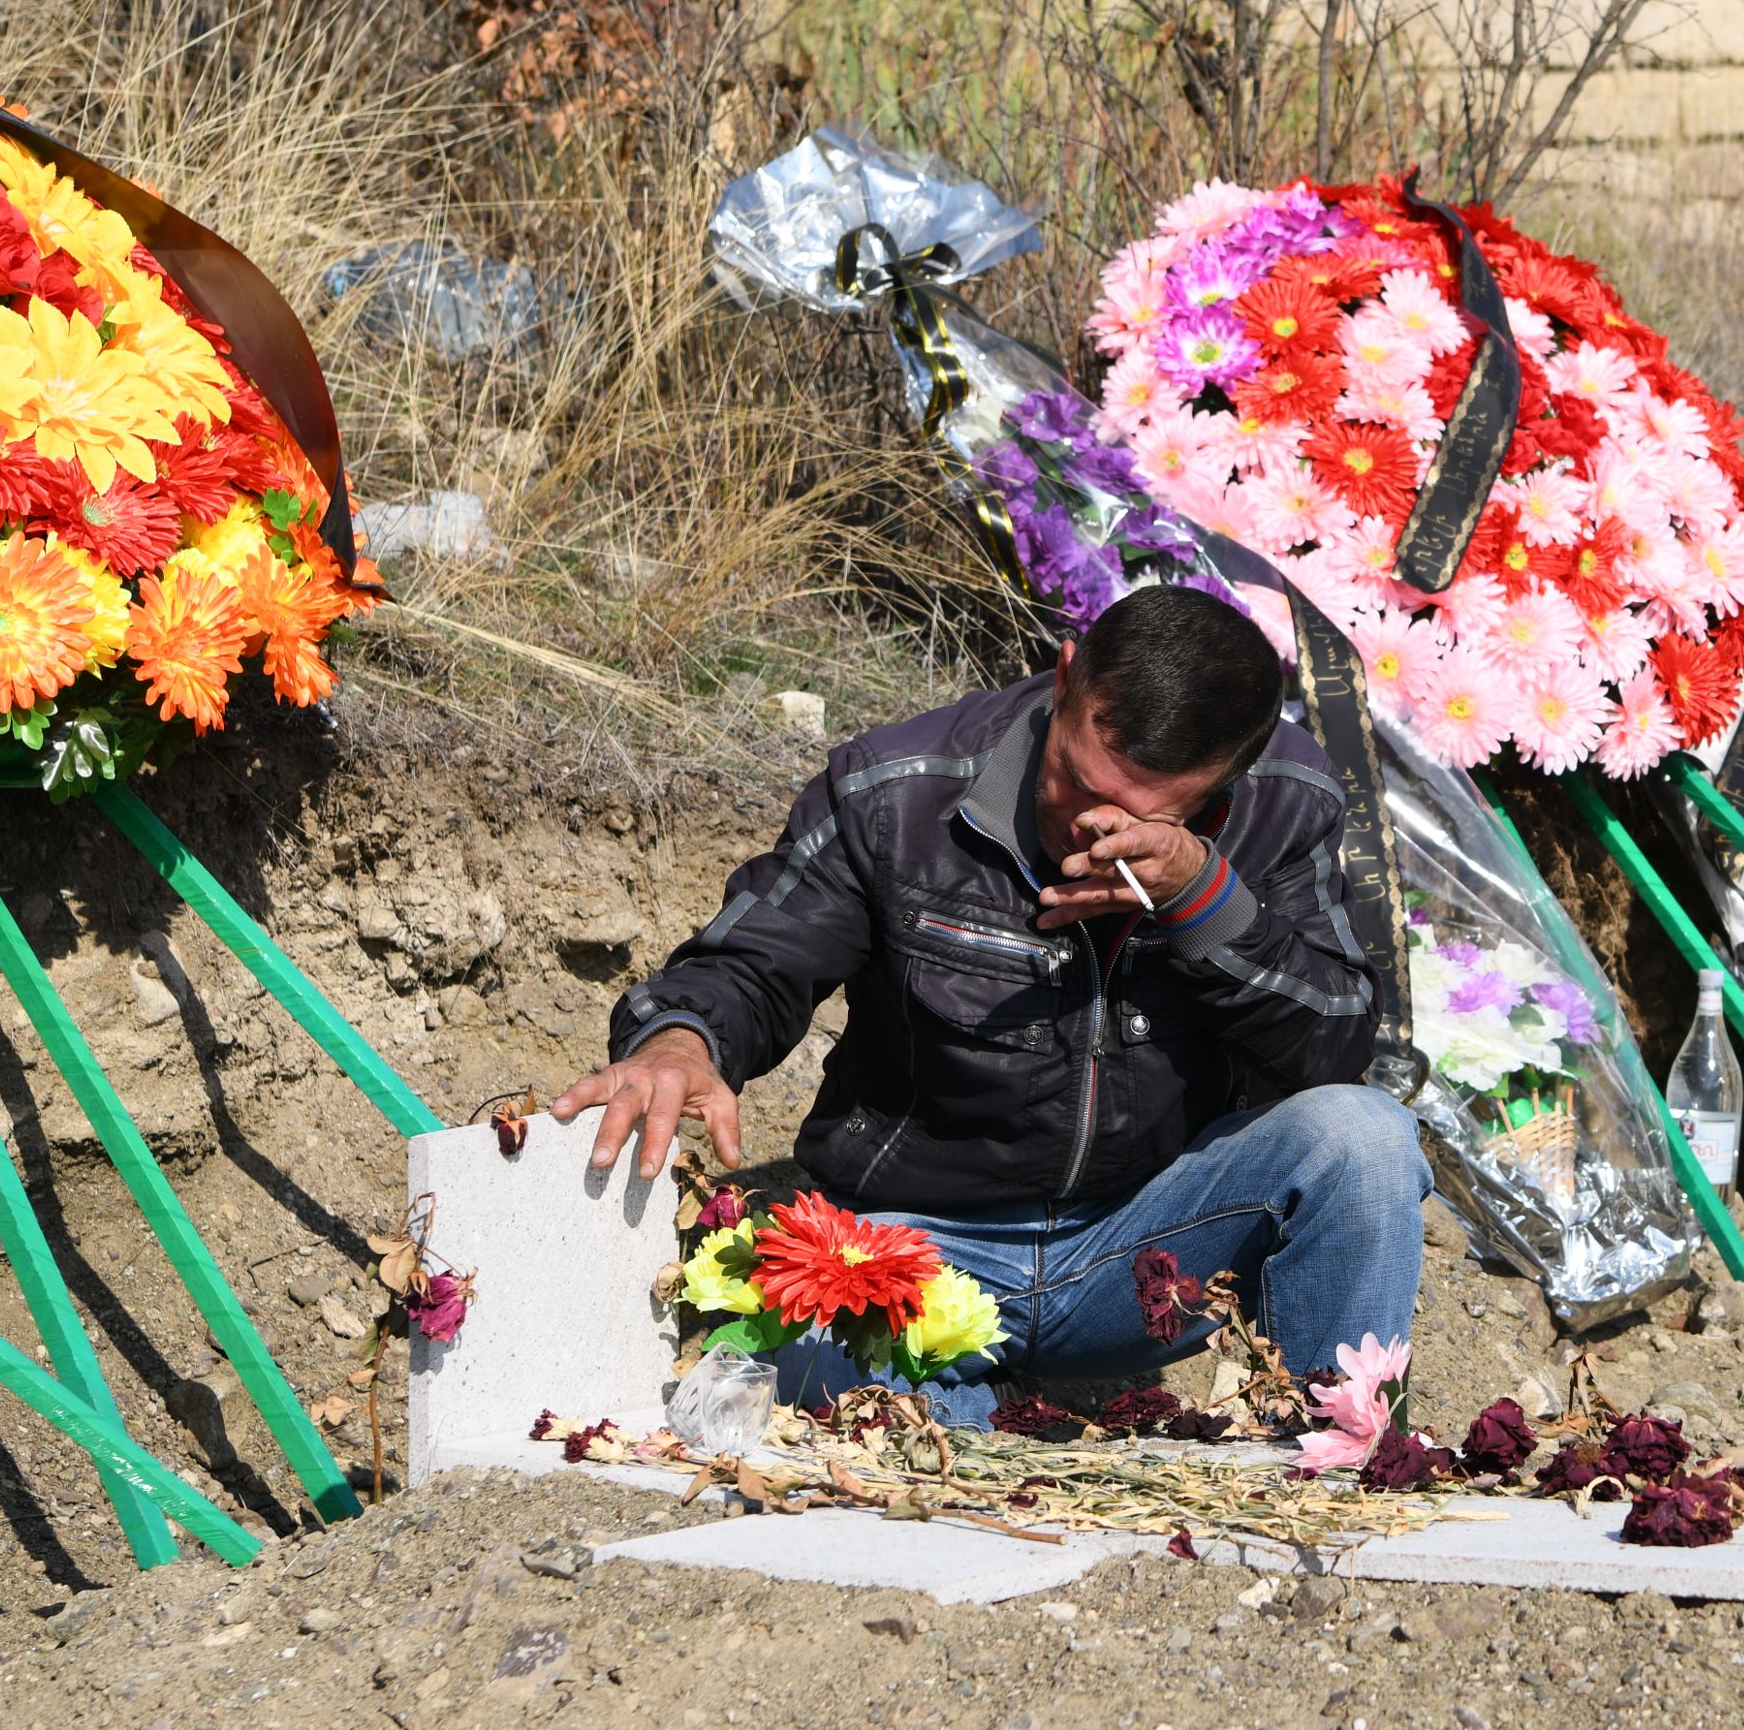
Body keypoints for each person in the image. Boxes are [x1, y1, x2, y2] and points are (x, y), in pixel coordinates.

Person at [553, 585, 1426, 1417]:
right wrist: (680, 1039)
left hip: (1144, 1244)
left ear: (1225, 785)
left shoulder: (1288, 799)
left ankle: (1331, 1457)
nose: (1090, 828)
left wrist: (1204, 898)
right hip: (917, 1244)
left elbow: (1335, 1050)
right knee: (856, 1377)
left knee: (1364, 1139)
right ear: (1065, 674)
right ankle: (981, 1422)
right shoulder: (897, 787)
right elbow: (753, 960)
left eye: (1135, 818)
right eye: (1076, 779)